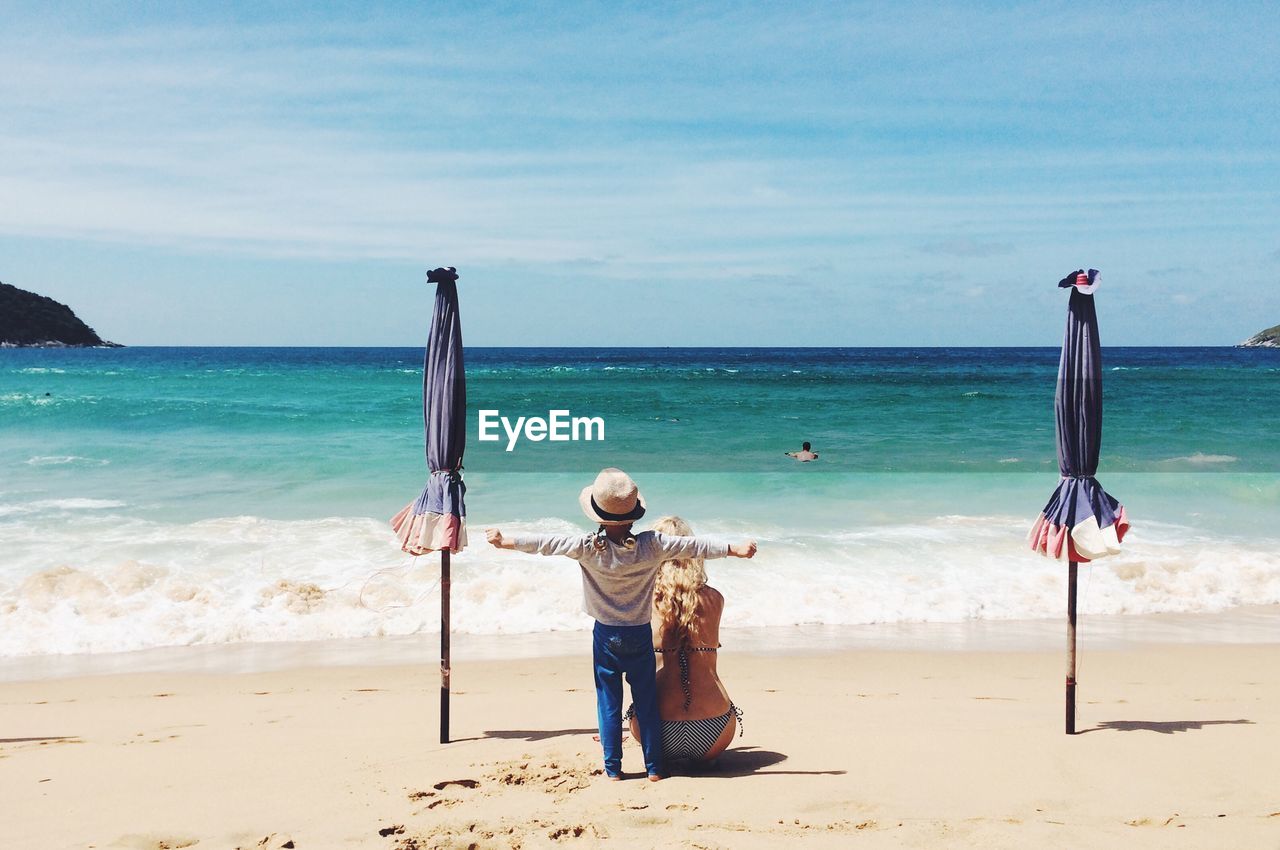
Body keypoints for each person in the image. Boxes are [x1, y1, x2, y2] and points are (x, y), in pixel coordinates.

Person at [485, 468, 757, 782]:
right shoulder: (651, 545)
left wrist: (507, 541)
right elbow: (692, 547)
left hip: (605, 636)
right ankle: (655, 768)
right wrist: (733, 549)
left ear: (597, 516)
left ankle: (613, 769)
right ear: (634, 515)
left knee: (609, 703)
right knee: (646, 701)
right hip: (639, 634)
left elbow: (548, 543)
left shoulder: (587, 547)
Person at [627, 516, 742, 768]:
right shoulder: (714, 599)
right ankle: (703, 759)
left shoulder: (641, 602)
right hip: (715, 729)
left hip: (655, 729)